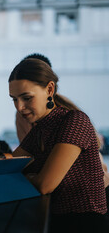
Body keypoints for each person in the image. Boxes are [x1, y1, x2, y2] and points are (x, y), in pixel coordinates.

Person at [8, 58, 108, 232]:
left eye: (26, 98)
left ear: (49, 89)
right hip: (56, 219)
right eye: (14, 100)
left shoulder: (75, 121)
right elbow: (7, 167)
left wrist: (32, 176)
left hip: (85, 223)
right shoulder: (40, 128)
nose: (20, 107)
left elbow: (45, 185)